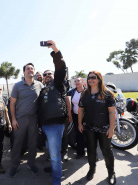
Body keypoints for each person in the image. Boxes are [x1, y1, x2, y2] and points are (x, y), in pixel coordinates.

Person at [78, 71, 116, 185]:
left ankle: (111, 173)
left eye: (93, 77)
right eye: (89, 78)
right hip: (89, 128)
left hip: (104, 128)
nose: (91, 80)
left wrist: (111, 128)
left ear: (99, 79)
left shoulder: (107, 94)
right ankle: (91, 169)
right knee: (91, 150)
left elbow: (112, 112)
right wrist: (80, 124)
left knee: (106, 150)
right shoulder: (84, 94)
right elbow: (80, 110)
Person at [38, 40, 68, 185]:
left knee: (55, 155)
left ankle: (57, 181)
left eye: (49, 73)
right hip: (44, 126)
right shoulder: (43, 89)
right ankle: (55, 170)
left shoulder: (58, 84)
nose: (47, 75)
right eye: (45, 74)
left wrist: (55, 50)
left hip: (56, 125)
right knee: (52, 153)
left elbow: (61, 68)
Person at [10, 62, 43, 177]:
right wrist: (13, 120)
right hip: (20, 120)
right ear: (24, 72)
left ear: (34, 71)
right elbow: (12, 103)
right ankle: (15, 165)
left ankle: (31, 163)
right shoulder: (17, 86)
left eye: (32, 69)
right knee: (17, 143)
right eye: (28, 69)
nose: (30, 70)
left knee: (33, 143)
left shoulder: (39, 85)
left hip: (34, 120)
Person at [67, 77, 86, 159]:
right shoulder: (72, 92)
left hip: (86, 116)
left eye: (78, 81)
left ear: (82, 82)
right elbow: (67, 99)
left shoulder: (87, 91)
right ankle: (80, 152)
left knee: (89, 134)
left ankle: (92, 154)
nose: (77, 82)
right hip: (75, 115)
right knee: (78, 134)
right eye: (75, 81)